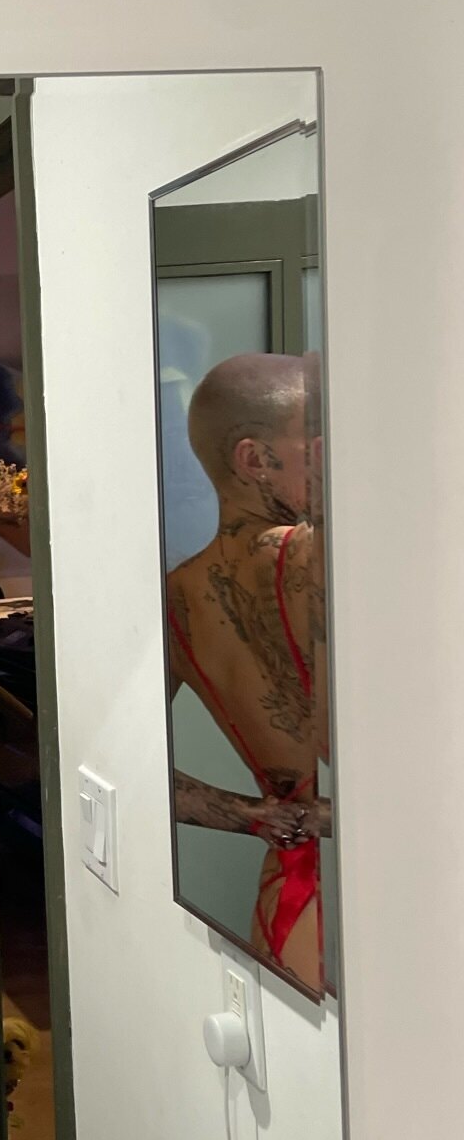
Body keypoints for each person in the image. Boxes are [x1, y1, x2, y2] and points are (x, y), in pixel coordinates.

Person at [166, 352, 329, 992]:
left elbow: (117, 765)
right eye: (318, 441)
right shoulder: (322, 556)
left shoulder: (178, 596)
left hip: (287, 901)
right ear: (254, 459)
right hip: (378, 897)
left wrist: (261, 816)